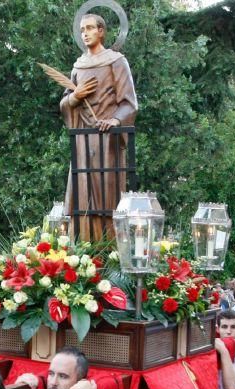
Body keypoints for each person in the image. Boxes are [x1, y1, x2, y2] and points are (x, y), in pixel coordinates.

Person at [61, 12, 138, 241]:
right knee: (81, 197)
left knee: (107, 197)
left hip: (107, 140)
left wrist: (115, 121)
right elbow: (66, 104)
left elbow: (129, 103)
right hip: (83, 142)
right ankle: (84, 247)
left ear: (101, 31)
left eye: (90, 28)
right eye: (82, 30)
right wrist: (75, 97)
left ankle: (109, 250)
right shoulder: (78, 68)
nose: (85, 33)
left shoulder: (116, 61)